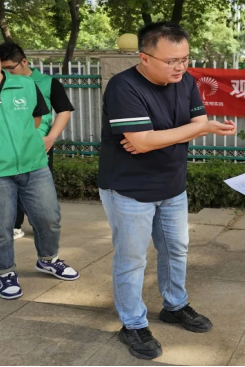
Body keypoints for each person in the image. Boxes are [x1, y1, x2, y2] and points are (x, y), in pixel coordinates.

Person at [97, 22, 236, 360]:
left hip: (172, 185)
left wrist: (156, 138)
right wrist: (179, 133)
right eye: (171, 61)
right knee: (132, 258)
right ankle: (132, 323)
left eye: (185, 59)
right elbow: (150, 139)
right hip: (129, 188)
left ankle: (175, 305)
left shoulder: (185, 82)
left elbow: (189, 125)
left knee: (176, 250)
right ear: (145, 57)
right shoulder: (123, 86)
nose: (180, 67)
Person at [0, 34, 79, 300]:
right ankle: (5, 272)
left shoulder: (25, 84)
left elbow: (37, 119)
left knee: (49, 218)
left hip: (34, 165)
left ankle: (48, 259)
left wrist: (24, 144)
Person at [0, 42, 74, 240]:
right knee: (7, 187)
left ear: (24, 61)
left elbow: (64, 110)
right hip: (5, 146)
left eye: (10, 68)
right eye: (3, 68)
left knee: (38, 191)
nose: (7, 73)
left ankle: (43, 227)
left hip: (38, 145)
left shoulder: (48, 83)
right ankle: (13, 225)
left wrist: (51, 137)